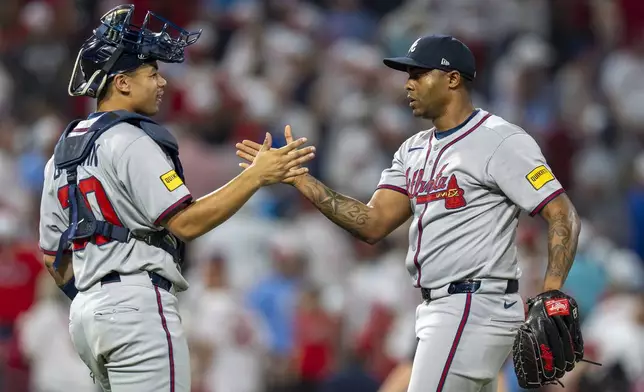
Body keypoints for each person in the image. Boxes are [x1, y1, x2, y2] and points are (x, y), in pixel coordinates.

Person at [235, 34, 581, 392]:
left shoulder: (501, 140)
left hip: (472, 304)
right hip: (440, 308)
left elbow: (562, 213)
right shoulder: (412, 150)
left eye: (418, 74)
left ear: (452, 79)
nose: (408, 84)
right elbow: (373, 223)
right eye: (407, 75)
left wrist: (551, 292)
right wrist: (301, 180)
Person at [38, 5, 315, 392]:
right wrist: (256, 176)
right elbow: (186, 222)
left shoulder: (60, 154)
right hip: (137, 305)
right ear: (121, 83)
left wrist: (98, 296)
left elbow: (53, 258)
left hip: (87, 314)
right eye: (152, 73)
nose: (162, 82)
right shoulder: (130, 139)